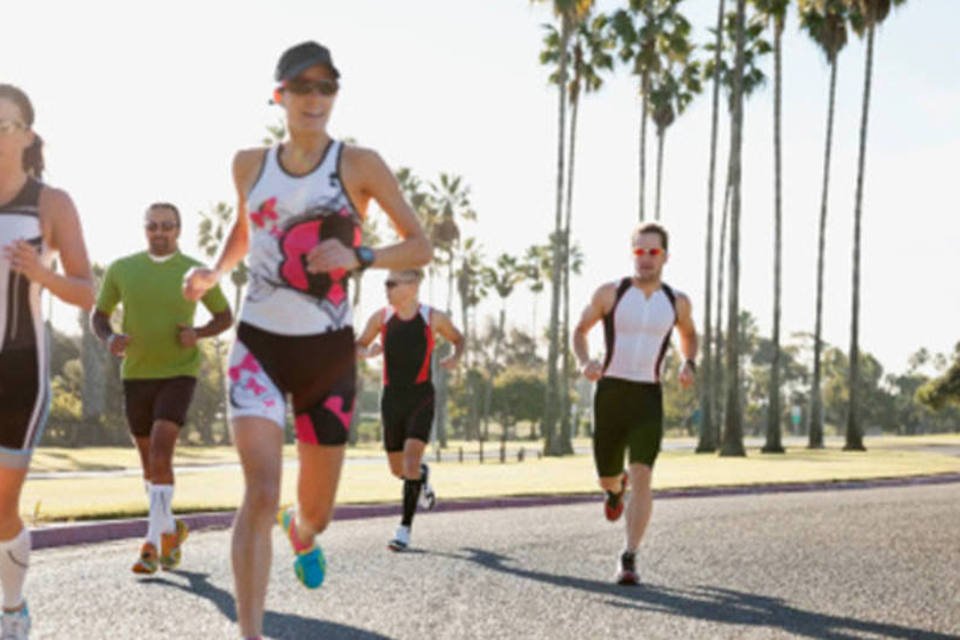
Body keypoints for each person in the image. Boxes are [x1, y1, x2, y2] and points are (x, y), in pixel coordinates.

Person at [182, 41, 430, 640]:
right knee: (259, 489)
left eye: (326, 87)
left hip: (327, 356)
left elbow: (419, 244)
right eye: (302, 87)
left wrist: (360, 254)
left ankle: (303, 532)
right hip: (259, 348)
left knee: (315, 512)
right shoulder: (248, 163)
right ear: (280, 96)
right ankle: (249, 632)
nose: (315, 98)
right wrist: (216, 272)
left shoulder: (359, 164)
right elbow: (247, 229)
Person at [0, 83, 95, 638]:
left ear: (27, 135)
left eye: (4, 125)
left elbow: (86, 291)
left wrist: (43, 275)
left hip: (18, 372)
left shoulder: (50, 204)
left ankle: (13, 609)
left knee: (2, 507)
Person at [92, 202, 232, 575]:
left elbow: (225, 316)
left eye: (167, 226)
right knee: (147, 464)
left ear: (178, 230)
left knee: (160, 453)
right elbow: (99, 316)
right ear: (144, 229)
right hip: (136, 374)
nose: (159, 232)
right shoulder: (122, 269)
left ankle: (151, 545)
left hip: (178, 372)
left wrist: (197, 333)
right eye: (152, 226)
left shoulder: (193, 272)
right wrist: (109, 340)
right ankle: (170, 529)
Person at [572, 222, 697, 585]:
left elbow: (689, 334)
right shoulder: (610, 294)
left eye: (653, 252)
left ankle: (629, 557)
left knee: (644, 474)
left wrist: (689, 362)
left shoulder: (676, 302)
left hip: (648, 396)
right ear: (633, 254)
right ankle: (615, 489)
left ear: (665, 257)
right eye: (639, 251)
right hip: (611, 393)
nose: (645, 259)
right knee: (608, 477)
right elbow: (580, 330)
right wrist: (584, 362)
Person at [356, 268, 464, 551]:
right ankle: (422, 478)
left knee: (411, 462)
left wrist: (456, 356)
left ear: (412, 286)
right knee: (398, 469)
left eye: (392, 283)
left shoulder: (432, 318)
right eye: (386, 283)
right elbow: (359, 344)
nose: (387, 287)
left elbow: (458, 338)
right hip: (391, 399)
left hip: (421, 397)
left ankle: (403, 529)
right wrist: (367, 353)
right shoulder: (381, 317)